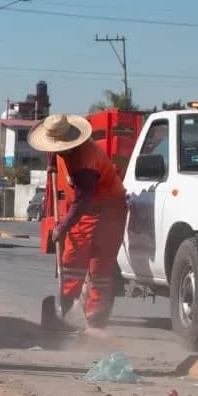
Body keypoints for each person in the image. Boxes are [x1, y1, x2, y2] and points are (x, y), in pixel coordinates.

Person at [28, 114, 128, 333]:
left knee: (99, 269)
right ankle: (65, 312)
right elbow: (51, 149)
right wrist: (50, 163)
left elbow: (83, 200)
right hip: (85, 211)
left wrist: (62, 228)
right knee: (72, 263)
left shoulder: (86, 163)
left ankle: (95, 322)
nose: (56, 150)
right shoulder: (60, 148)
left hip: (108, 211)